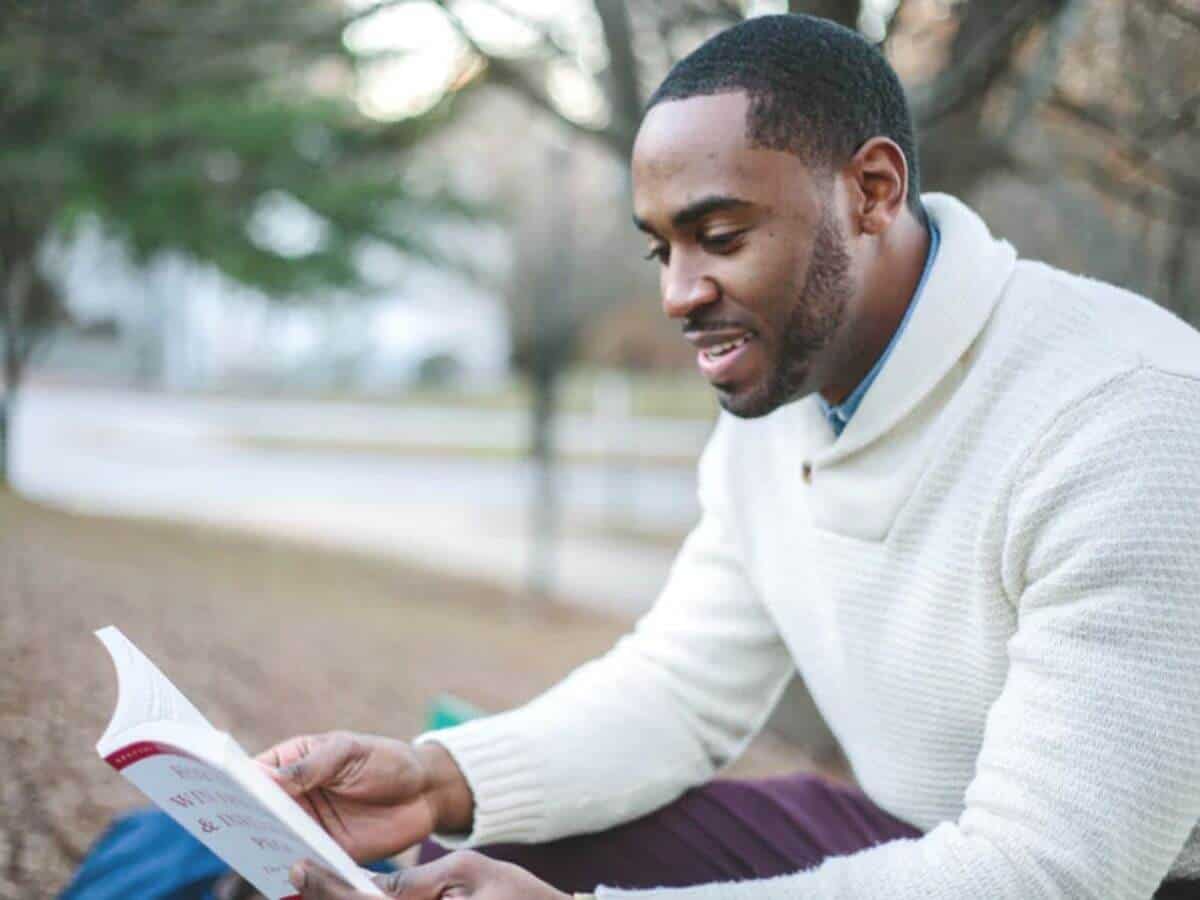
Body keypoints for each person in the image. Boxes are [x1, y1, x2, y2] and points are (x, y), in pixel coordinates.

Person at [259, 14, 1200, 900]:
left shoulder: (1126, 419)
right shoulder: (788, 396)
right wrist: (435, 780)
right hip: (914, 832)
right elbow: (679, 691)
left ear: (872, 190)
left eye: (718, 237)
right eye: (660, 250)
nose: (679, 293)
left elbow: (1048, 877)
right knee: (477, 851)